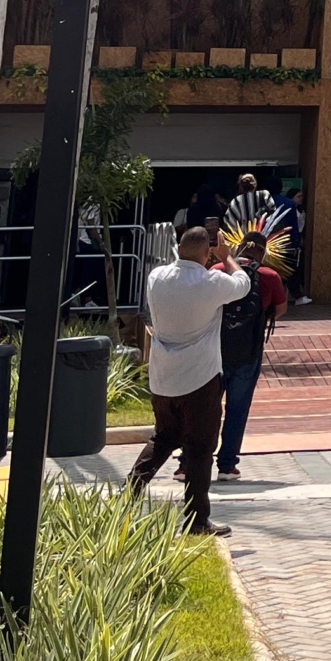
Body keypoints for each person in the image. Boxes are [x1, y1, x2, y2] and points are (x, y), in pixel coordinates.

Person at [128, 227, 251, 536]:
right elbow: (243, 283)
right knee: (199, 449)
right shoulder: (211, 282)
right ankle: (196, 521)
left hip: (163, 377)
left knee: (163, 439)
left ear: (178, 249)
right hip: (200, 379)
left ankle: (128, 494)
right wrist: (227, 257)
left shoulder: (156, 277)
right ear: (207, 254)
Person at [216, 228, 289, 478]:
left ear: (239, 248)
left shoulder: (218, 270)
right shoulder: (270, 276)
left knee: (205, 407)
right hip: (249, 349)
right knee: (237, 409)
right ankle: (227, 464)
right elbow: (281, 309)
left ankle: (188, 463)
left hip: (215, 350)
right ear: (263, 253)